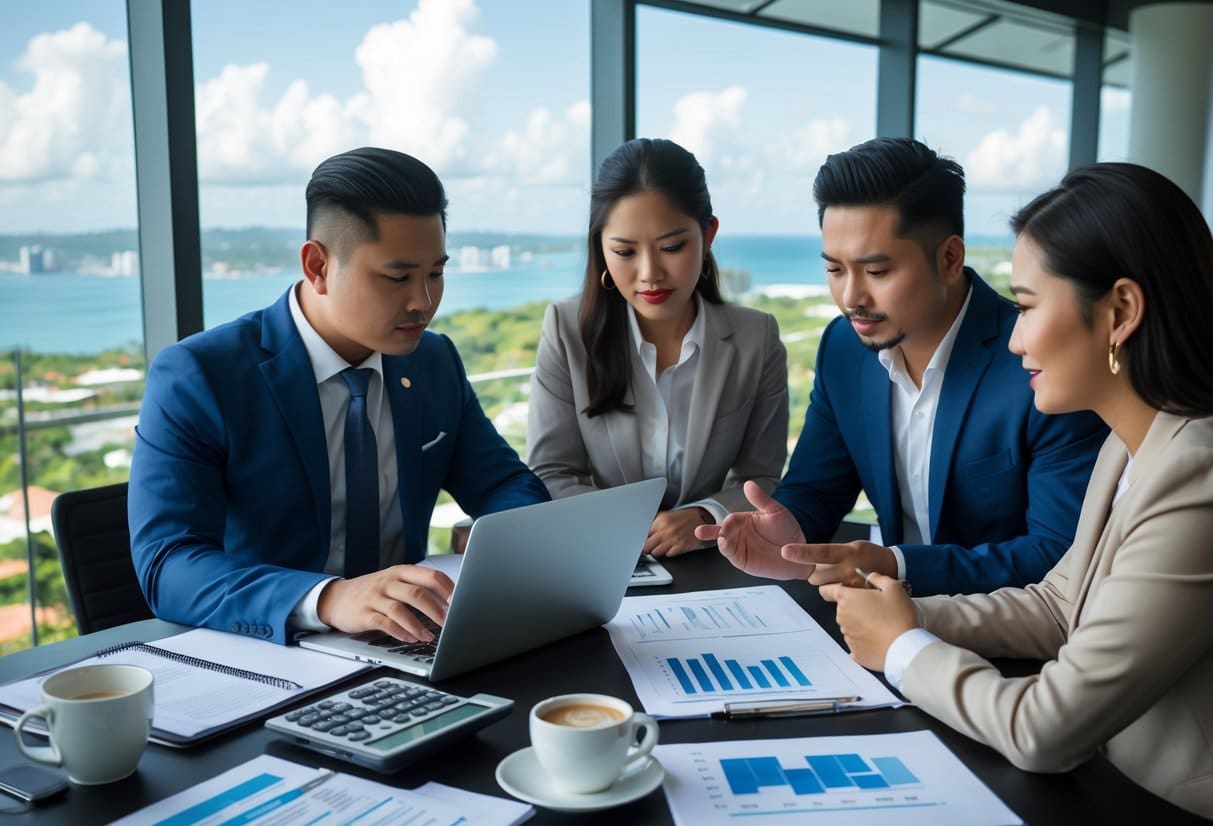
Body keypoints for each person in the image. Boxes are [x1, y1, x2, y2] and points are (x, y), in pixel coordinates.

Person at [821, 162, 1213, 820]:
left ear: (1119, 311)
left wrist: (903, 648)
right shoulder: (1132, 443)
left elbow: (1043, 729)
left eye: (1027, 307)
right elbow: (1061, 607)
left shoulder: (1195, 478)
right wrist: (905, 615)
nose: (1013, 338)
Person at [129, 147, 550, 646]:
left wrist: (492, 541)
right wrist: (330, 599)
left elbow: (505, 483)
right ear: (318, 266)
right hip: (275, 653)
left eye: (435, 273)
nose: (424, 302)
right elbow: (167, 564)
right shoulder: (201, 375)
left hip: (414, 643)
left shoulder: (432, 361)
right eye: (397, 277)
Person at [696, 137, 1107, 595]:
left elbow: (1058, 552)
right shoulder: (844, 349)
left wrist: (897, 565)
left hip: (1013, 637)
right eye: (835, 270)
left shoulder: (1038, 363)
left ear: (950, 258)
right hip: (881, 626)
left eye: (876, 272)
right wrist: (787, 531)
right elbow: (817, 487)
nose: (851, 298)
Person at [526, 137, 788, 557]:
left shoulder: (756, 339)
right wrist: (628, 528)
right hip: (604, 558)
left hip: (716, 562)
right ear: (601, 248)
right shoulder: (565, 329)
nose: (649, 274)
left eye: (671, 247)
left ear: (708, 235)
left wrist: (706, 516)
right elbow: (551, 472)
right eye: (624, 251)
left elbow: (764, 479)